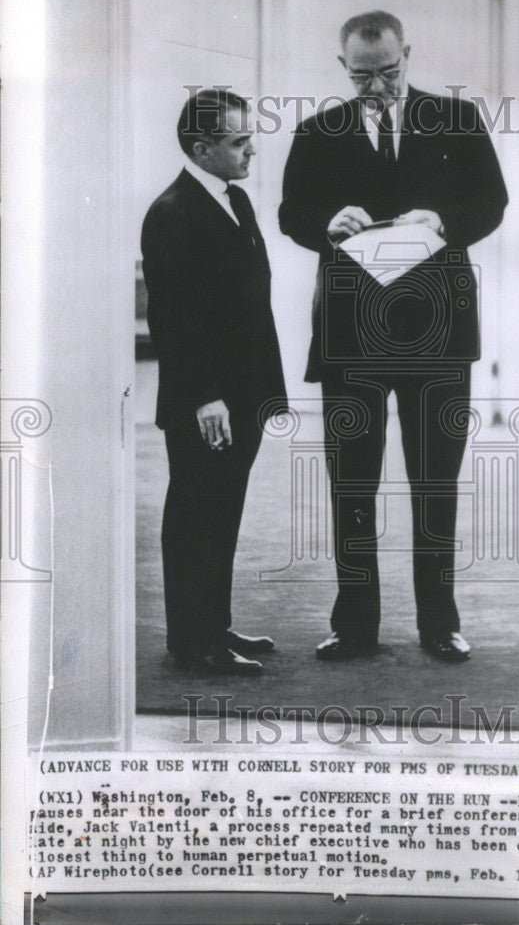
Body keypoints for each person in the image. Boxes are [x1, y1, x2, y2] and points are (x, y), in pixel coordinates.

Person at [279, 11, 507, 662]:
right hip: (352, 335)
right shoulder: (318, 131)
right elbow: (291, 214)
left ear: (406, 53)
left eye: (388, 71)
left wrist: (440, 218)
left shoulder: (457, 121)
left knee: (435, 482)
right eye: (360, 75)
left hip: (438, 334)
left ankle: (439, 624)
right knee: (351, 484)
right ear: (340, 65)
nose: (375, 85)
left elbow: (491, 202)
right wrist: (327, 221)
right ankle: (354, 626)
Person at [142, 89, 287, 674]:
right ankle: (193, 643)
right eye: (238, 141)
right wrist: (205, 397)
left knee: (221, 511)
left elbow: (250, 302)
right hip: (208, 401)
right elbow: (172, 318)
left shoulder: (236, 200)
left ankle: (213, 627)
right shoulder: (172, 211)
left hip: (242, 394)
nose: (252, 148)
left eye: (249, 136)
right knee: (196, 514)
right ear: (201, 148)